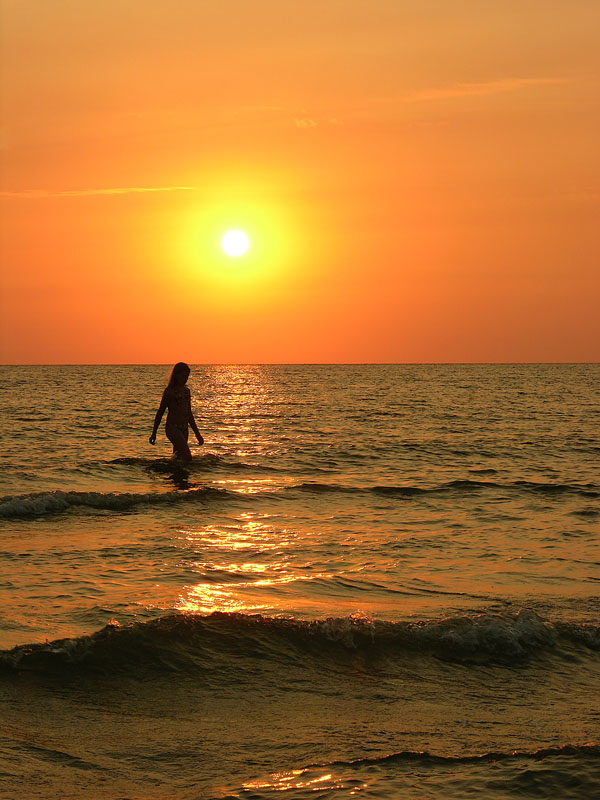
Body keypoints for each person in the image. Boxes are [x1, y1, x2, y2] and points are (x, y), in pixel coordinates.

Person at [149, 362, 203, 461]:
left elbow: (189, 414)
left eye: (187, 376)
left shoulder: (187, 391)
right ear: (176, 375)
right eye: (183, 376)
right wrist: (154, 433)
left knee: (178, 458)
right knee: (187, 457)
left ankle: (176, 475)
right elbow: (160, 412)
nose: (185, 378)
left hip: (184, 429)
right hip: (172, 428)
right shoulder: (169, 391)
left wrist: (197, 434)